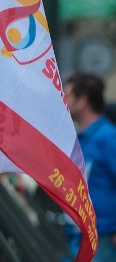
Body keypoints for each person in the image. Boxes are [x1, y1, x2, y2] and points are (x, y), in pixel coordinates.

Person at [64, 73, 116, 261]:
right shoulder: (83, 139)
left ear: (82, 101)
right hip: (78, 236)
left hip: (103, 239)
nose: (64, 100)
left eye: (68, 95)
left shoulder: (108, 137)